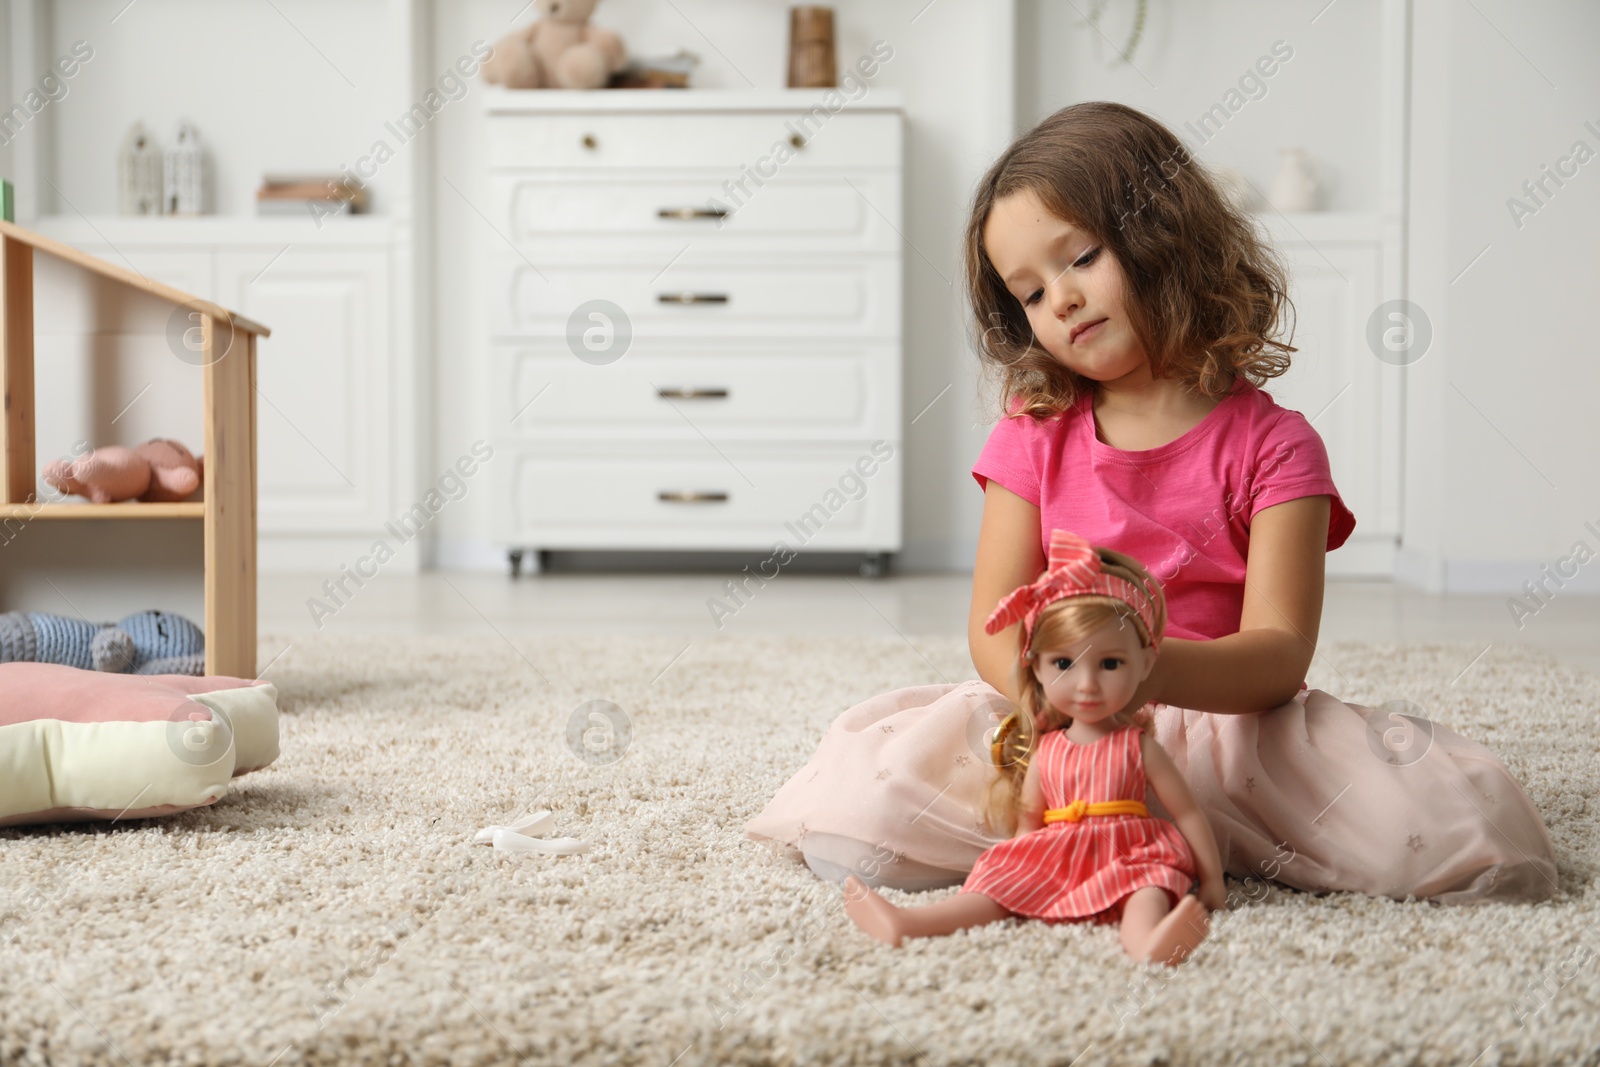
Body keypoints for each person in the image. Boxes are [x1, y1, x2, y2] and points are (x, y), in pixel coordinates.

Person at [746, 101, 1558, 905]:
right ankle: (1123, 830)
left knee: (1448, 836)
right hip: (1068, 726)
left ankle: (1184, 827)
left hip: (1234, 730)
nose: (1058, 301)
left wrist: (1141, 671)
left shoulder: (1279, 446)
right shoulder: (1034, 433)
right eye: (1027, 293)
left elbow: (1278, 653)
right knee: (866, 809)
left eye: (1081, 258)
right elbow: (992, 621)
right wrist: (1063, 693)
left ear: (1165, 235)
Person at [843, 530, 1225, 967]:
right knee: (995, 891)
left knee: (1146, 891)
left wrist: (1211, 879)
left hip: (1129, 852)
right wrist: (1019, 862)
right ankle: (913, 922)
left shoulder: (1138, 747)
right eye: (1064, 663)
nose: (1087, 684)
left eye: (1110, 664)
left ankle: (1148, 941)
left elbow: (1188, 812)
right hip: (1058, 849)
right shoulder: (1048, 750)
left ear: (1145, 663)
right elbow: (1029, 823)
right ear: (1036, 668)